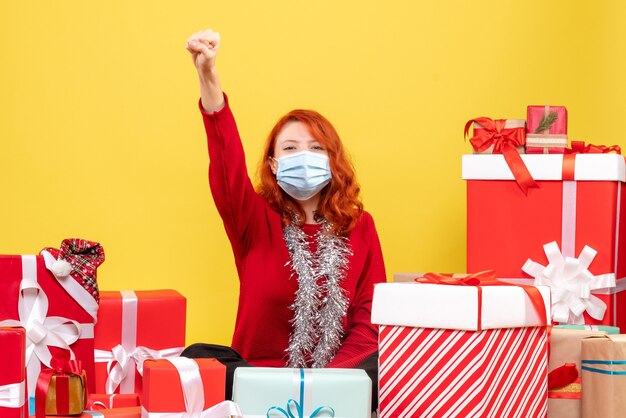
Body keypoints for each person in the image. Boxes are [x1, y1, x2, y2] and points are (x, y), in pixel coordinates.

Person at [182, 28, 386, 411]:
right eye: (290, 148)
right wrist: (208, 77)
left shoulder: (361, 227)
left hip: (336, 384)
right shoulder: (253, 218)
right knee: (196, 357)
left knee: (385, 362)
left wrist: (327, 384)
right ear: (274, 164)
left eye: (315, 148)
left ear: (332, 160)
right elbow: (227, 164)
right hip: (256, 382)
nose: (302, 155)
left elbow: (368, 318)